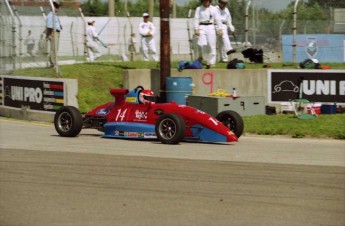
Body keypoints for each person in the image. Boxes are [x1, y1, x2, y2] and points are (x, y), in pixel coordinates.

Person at [193, 0, 222, 69]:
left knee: (211, 44)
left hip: (210, 26)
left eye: (207, 0)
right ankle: (204, 59)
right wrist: (196, 28)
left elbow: (217, 19)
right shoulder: (198, 9)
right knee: (202, 43)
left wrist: (220, 29)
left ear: (209, 1)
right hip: (202, 26)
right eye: (204, 0)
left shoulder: (214, 9)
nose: (206, 2)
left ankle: (212, 62)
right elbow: (196, 19)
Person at [46, 1, 62, 68]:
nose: (58, 9)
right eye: (57, 7)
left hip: (56, 32)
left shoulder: (55, 15)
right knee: (54, 49)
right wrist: (51, 34)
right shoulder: (51, 15)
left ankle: (53, 62)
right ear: (54, 7)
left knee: (55, 49)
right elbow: (50, 26)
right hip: (53, 33)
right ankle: (53, 63)